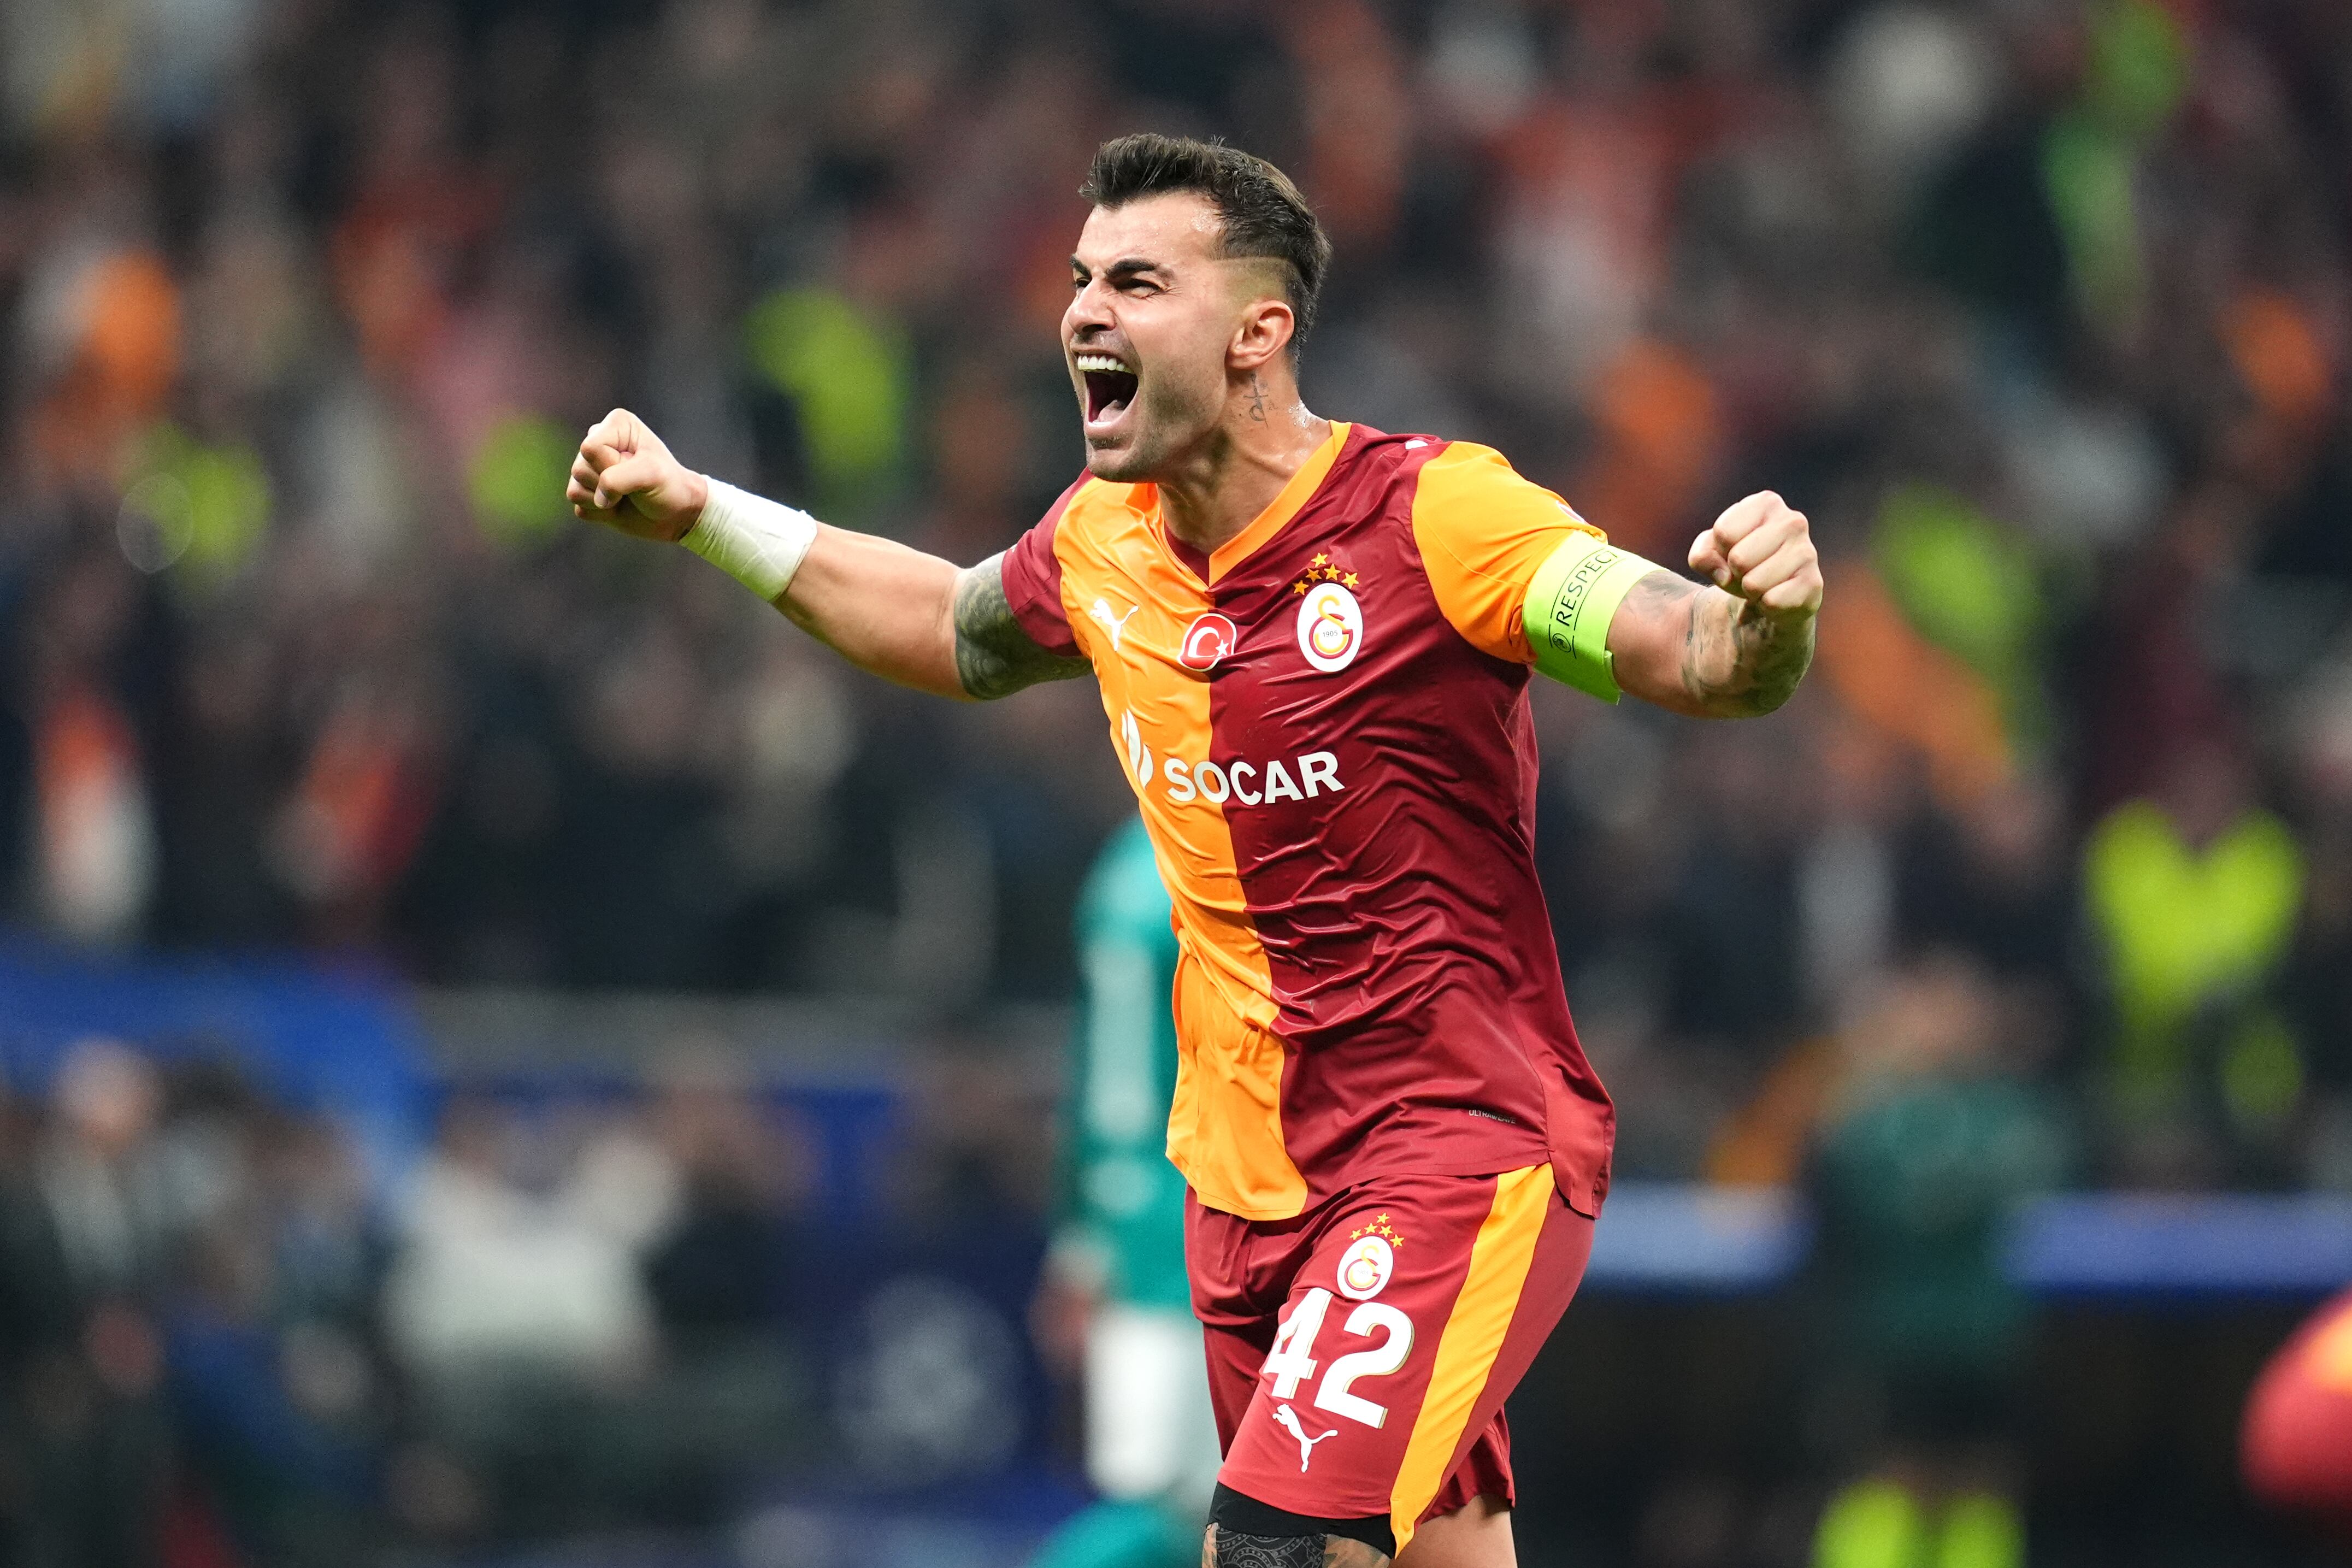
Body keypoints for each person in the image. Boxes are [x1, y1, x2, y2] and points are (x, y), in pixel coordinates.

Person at [567, 133, 1822, 1568]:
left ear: (1256, 331)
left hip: (1442, 1150)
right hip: (1236, 1189)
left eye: (1138, 282)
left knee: (1274, 1549)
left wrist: (1761, 619)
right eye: (1082, 279)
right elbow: (952, 625)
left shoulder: (1436, 512)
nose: (1084, 312)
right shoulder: (1105, 541)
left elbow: (1690, 647)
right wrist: (702, 511)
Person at [1031, 815, 1219, 1568]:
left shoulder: (1125, 863)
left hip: (1133, 1227)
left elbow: (1095, 1085)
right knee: (1201, 1511)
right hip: (1218, 1223)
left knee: (1183, 1504)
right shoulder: (1224, 852)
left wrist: (1079, 1236)